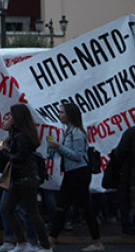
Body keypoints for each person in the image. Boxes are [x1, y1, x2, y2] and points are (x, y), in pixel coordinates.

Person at [47, 101, 101, 250]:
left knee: (84, 207)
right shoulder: (68, 131)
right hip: (71, 173)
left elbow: (77, 156)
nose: (59, 115)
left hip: (79, 173)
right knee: (61, 206)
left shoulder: (77, 133)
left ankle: (97, 242)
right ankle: (51, 240)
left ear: (70, 114)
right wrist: (55, 148)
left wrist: (59, 147)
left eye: (62, 112)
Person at [0, 104, 52, 252]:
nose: (8, 118)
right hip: (20, 178)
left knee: (32, 212)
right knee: (8, 209)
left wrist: (4, 151)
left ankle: (45, 246)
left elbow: (18, 158)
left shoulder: (22, 136)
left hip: (26, 179)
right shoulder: (18, 135)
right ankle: (22, 242)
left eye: (11, 116)